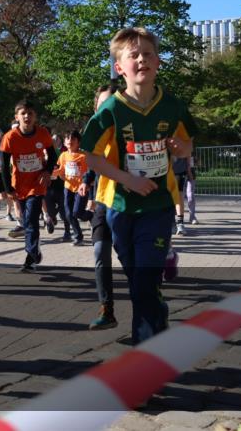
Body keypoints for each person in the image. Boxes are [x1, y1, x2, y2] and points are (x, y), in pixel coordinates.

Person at [81, 28, 196, 346]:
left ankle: (145, 351)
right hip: (120, 207)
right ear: (120, 67)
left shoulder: (172, 106)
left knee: (144, 278)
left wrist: (181, 148)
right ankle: (157, 312)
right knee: (137, 280)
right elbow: (91, 157)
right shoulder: (111, 110)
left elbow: (188, 144)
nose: (142, 59)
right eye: (134, 55)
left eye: (148, 54)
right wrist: (127, 179)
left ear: (158, 62)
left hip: (158, 205)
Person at [0, 99, 58, 272]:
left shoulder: (42, 134)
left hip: (37, 184)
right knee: (26, 221)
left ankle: (30, 257)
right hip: (19, 185)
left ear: (35, 117)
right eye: (23, 113)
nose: (27, 116)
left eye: (30, 113)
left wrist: (47, 171)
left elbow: (53, 156)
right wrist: (7, 189)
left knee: (32, 219)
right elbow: (3, 165)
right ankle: (35, 250)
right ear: (17, 117)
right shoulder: (10, 137)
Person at [84, 83, 119, 330]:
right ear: (96, 108)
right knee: (100, 252)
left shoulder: (130, 130)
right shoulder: (93, 131)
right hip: (104, 201)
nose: (108, 109)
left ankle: (151, 302)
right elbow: (90, 162)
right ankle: (106, 308)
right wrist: (86, 184)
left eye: (113, 103)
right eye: (103, 104)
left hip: (131, 202)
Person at [56, 131, 89, 246]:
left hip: (81, 188)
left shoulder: (84, 156)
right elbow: (61, 170)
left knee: (77, 213)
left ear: (78, 142)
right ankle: (78, 236)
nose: (70, 141)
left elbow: (89, 172)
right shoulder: (63, 155)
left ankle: (92, 216)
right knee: (68, 214)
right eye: (67, 139)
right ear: (64, 142)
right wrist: (54, 173)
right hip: (68, 187)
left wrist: (86, 183)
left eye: (73, 139)